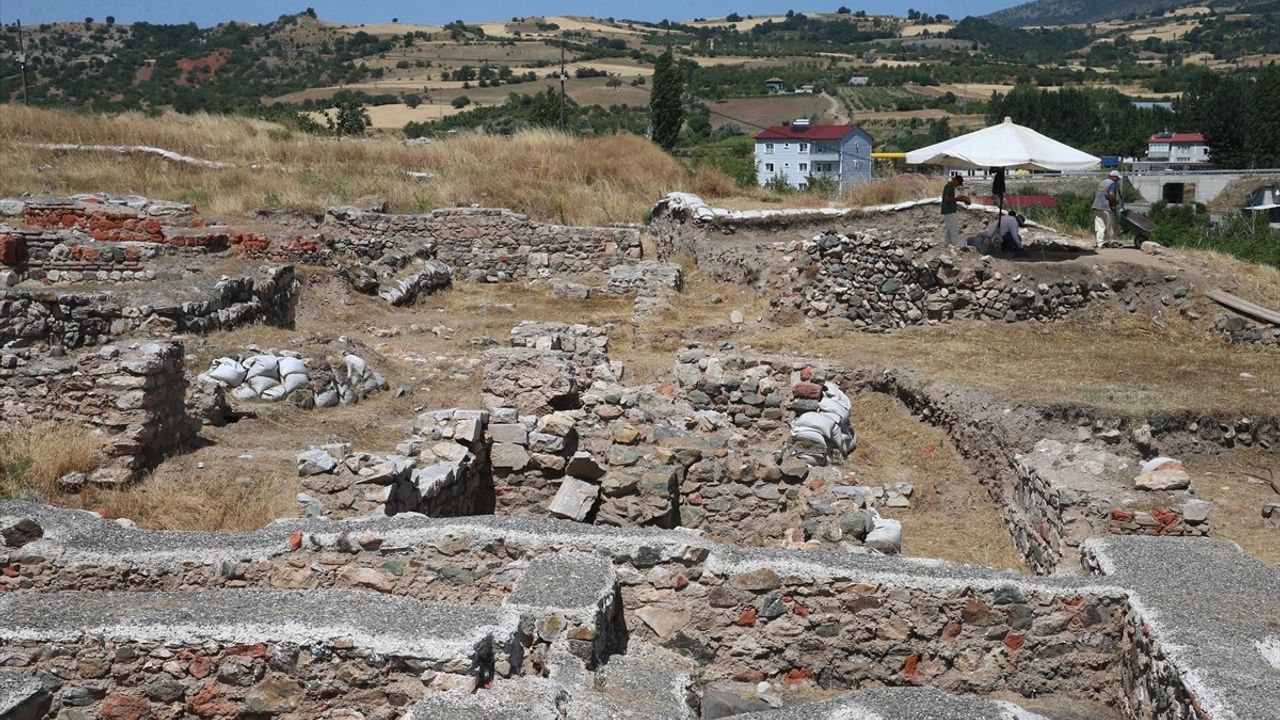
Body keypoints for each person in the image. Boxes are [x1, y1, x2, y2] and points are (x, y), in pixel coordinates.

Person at [1092, 170, 1121, 248]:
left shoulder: (1102, 182)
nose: (1118, 180)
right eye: (1117, 178)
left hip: (1097, 207)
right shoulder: (1112, 184)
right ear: (1113, 177)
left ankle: (1099, 243)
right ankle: (1111, 241)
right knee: (1110, 225)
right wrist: (1113, 205)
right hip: (1107, 207)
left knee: (1099, 226)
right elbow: (1111, 194)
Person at [941, 174, 971, 246]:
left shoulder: (950, 186)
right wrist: (957, 199)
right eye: (958, 183)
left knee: (948, 230)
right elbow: (946, 199)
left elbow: (949, 198)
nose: (958, 186)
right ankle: (955, 245)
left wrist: (959, 198)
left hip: (948, 210)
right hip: (949, 210)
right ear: (956, 181)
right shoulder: (949, 187)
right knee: (954, 229)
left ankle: (947, 244)